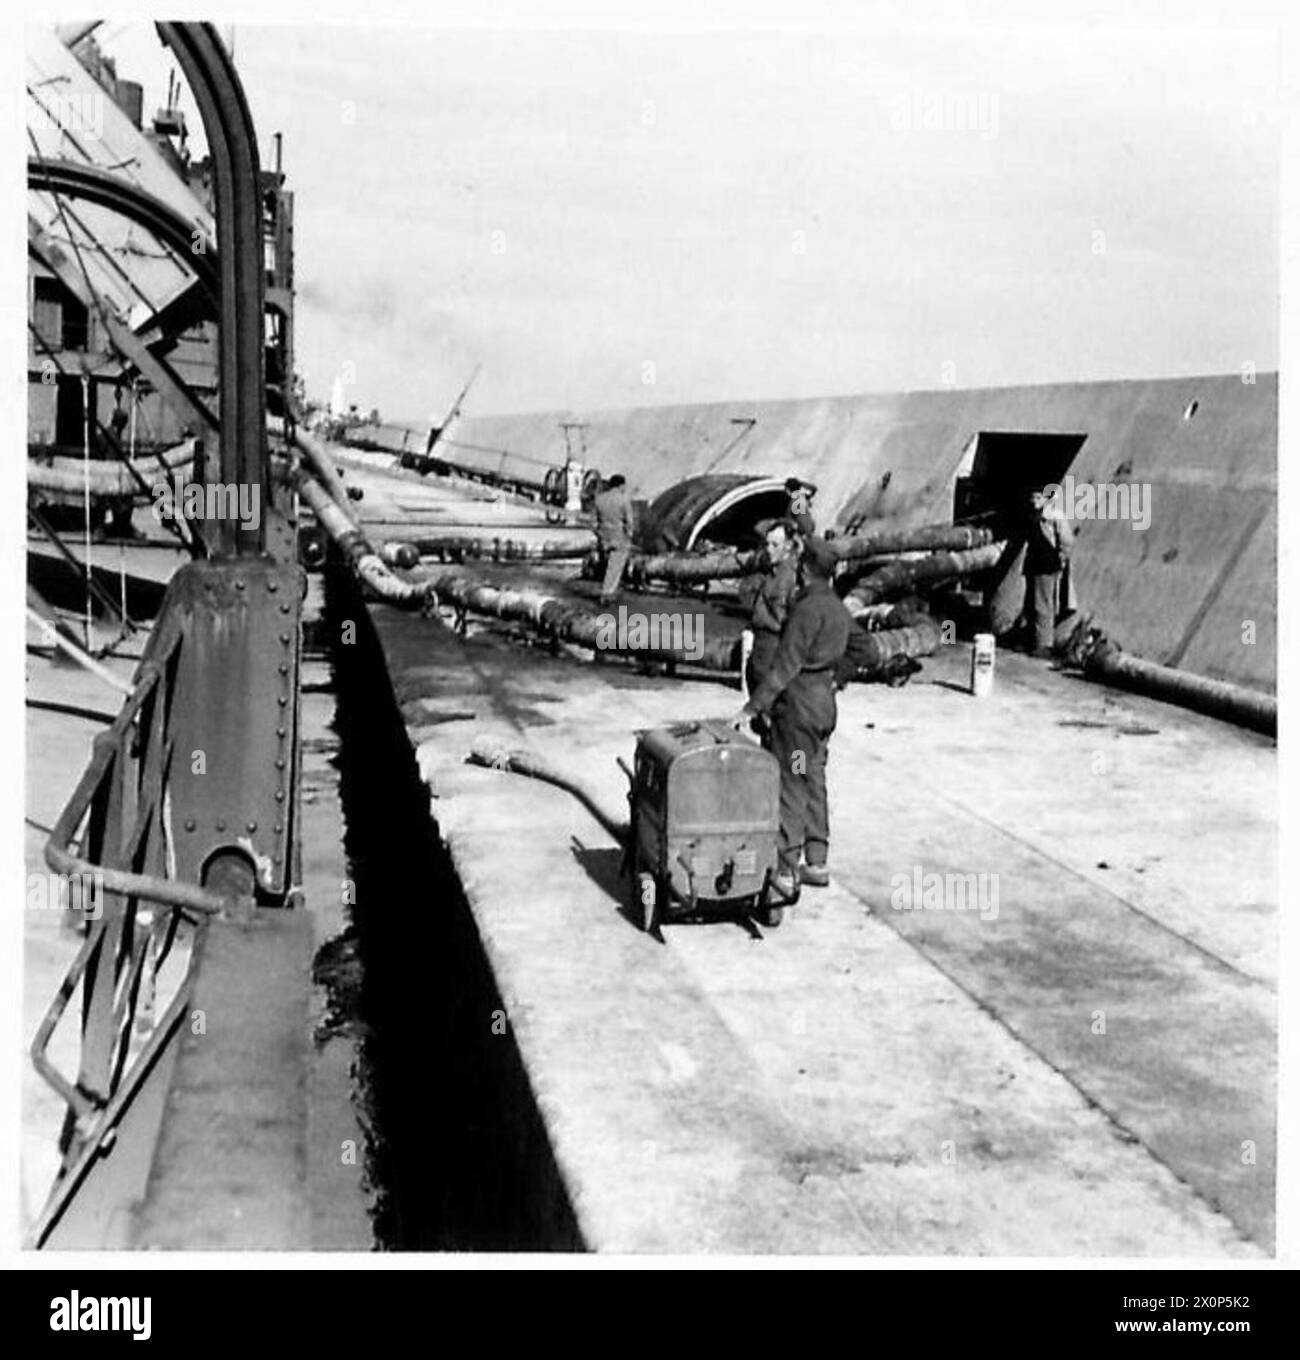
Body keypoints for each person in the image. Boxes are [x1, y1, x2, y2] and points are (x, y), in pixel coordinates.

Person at [730, 536, 852, 894]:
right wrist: (836, 679)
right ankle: (817, 860)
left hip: (797, 710)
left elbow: (785, 667)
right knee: (813, 776)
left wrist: (751, 708)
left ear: (803, 568)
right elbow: (866, 649)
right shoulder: (837, 607)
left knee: (792, 782)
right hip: (824, 709)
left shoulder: (806, 610)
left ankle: (785, 869)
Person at [738, 518, 800, 711]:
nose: (769, 549)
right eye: (767, 544)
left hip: (775, 645)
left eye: (775, 545)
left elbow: (794, 621)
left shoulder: (790, 578)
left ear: (788, 546)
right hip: (761, 645)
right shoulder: (771, 572)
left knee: (770, 710)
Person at [1022, 487, 1075, 657]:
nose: (1034, 500)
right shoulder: (1032, 515)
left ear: (1045, 498)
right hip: (1033, 565)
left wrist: (1061, 560)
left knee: (1043, 605)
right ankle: (1031, 640)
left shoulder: (1054, 516)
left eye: (1038, 497)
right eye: (1032, 497)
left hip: (1046, 565)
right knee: (1030, 604)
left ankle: (1044, 645)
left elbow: (1067, 541)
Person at [593, 474, 635, 603]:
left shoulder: (599, 499)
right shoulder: (623, 500)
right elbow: (629, 522)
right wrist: (629, 536)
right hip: (618, 536)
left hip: (603, 536)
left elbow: (593, 522)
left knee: (606, 565)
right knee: (615, 566)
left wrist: (599, 534)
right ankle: (607, 593)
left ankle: (607, 590)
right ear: (621, 485)